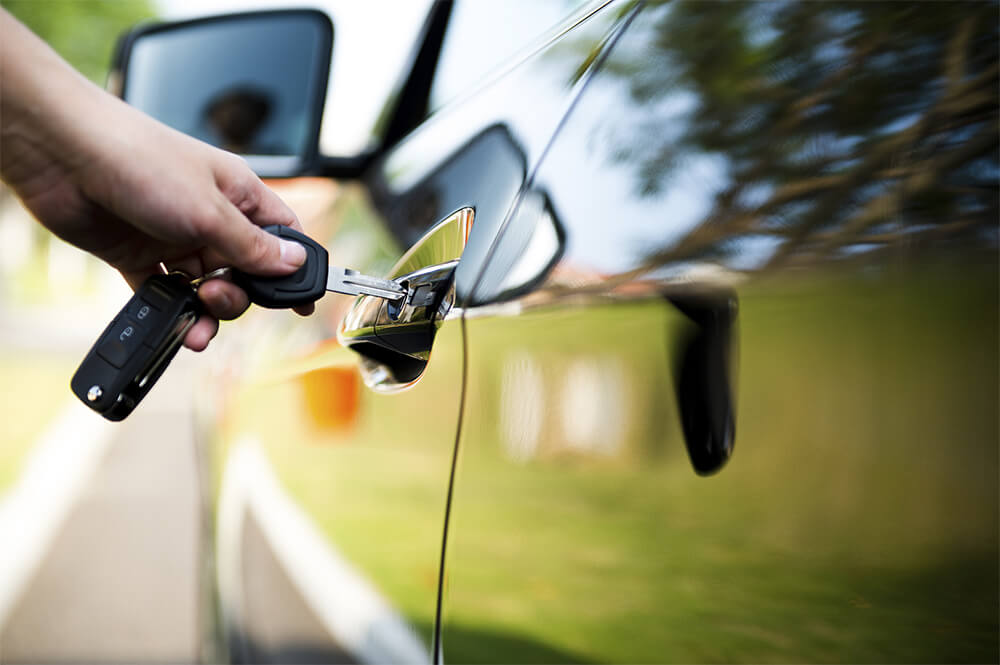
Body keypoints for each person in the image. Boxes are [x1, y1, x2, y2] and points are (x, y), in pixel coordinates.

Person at [0, 8, 314, 351]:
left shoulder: (277, 152)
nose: (234, 121)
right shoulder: (190, 167)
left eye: (245, 115)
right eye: (226, 113)